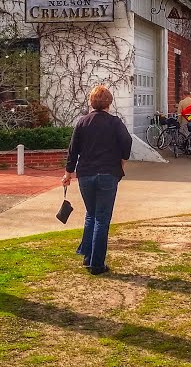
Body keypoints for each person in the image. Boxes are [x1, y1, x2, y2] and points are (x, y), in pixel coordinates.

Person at [62, 85, 133, 275]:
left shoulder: (82, 122)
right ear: (109, 102)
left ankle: (88, 256)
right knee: (102, 218)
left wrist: (68, 173)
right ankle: (97, 264)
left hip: (85, 174)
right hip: (108, 173)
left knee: (91, 214)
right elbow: (127, 142)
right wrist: (122, 160)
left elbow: (73, 149)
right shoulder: (115, 122)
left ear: (91, 102)